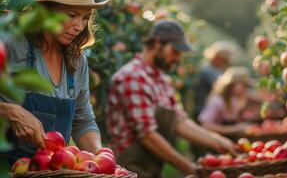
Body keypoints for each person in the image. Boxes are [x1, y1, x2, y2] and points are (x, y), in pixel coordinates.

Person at [106, 20, 236, 178]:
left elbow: (179, 121)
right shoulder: (132, 77)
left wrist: (218, 141)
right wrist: (189, 168)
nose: (178, 58)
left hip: (151, 164)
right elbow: (147, 135)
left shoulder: (163, 80)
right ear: (158, 43)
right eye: (175, 51)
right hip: (128, 168)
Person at [0, 0, 109, 163]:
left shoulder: (77, 61)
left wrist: (100, 157)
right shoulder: (13, 45)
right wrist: (9, 111)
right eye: (72, 15)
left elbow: (83, 120)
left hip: (47, 170)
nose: (79, 26)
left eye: (85, 18)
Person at [198, 67, 261, 135]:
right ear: (231, 85)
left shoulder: (235, 100)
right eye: (243, 85)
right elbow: (206, 126)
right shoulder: (218, 101)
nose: (244, 88)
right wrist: (234, 129)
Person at [192, 41, 233, 121]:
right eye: (218, 57)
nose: (220, 61)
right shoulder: (206, 70)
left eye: (223, 59)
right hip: (203, 110)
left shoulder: (220, 71)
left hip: (212, 112)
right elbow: (221, 85)